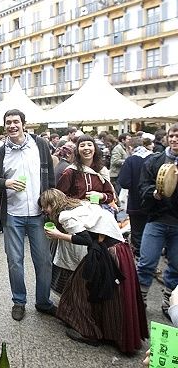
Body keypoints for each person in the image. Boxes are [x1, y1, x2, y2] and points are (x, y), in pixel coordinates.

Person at [40, 189, 148, 353]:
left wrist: (58, 235)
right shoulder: (79, 204)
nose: (43, 211)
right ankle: (107, 331)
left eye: (44, 207)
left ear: (52, 204)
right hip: (119, 249)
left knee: (80, 288)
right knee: (106, 292)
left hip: (108, 252)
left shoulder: (64, 216)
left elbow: (86, 240)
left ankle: (89, 332)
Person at [0, 109, 56, 322]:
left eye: (16, 122)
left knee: (44, 261)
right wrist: (5, 183)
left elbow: (49, 176)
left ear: (24, 123)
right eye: (8, 123)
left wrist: (51, 206)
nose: (12, 126)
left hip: (39, 214)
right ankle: (19, 301)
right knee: (15, 261)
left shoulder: (40, 145)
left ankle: (43, 301)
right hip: (13, 215)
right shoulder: (0, 153)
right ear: (4, 126)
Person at [53, 135, 116, 294]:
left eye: (90, 144)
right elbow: (59, 197)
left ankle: (89, 297)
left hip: (96, 222)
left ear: (95, 148)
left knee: (92, 258)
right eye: (82, 145)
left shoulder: (101, 172)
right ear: (77, 150)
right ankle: (71, 301)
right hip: (76, 221)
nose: (86, 148)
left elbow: (110, 196)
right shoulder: (70, 172)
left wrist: (101, 196)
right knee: (74, 258)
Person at [137, 123, 178, 322]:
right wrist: (153, 193)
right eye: (172, 136)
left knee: (177, 265)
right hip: (157, 219)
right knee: (146, 262)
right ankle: (140, 300)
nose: (174, 139)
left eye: (177, 136)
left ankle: (169, 301)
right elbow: (142, 185)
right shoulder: (154, 160)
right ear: (166, 138)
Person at [117, 137, 153, 257]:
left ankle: (141, 259)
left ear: (130, 148)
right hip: (154, 202)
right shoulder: (155, 158)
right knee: (152, 233)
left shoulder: (131, 160)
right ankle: (151, 258)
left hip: (136, 203)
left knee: (137, 234)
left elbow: (124, 182)